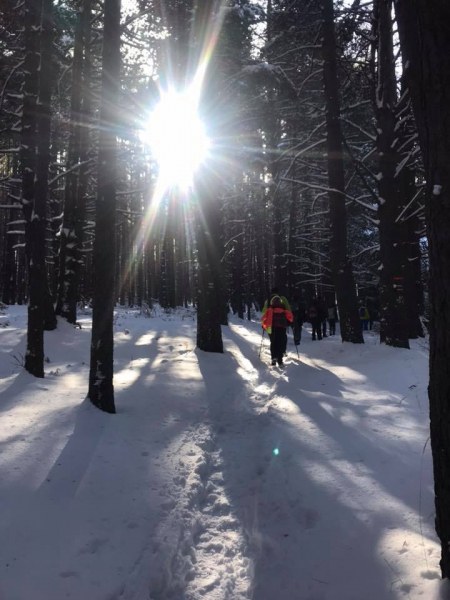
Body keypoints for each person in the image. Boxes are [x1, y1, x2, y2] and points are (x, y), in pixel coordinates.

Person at [261, 294, 293, 366]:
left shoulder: (270, 310)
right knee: (281, 343)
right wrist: (289, 323)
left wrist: (263, 325)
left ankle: (273, 358)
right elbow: (290, 318)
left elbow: (263, 318)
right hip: (282, 328)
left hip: (272, 329)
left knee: (274, 343)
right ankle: (280, 360)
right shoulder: (284, 310)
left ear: (272, 303)